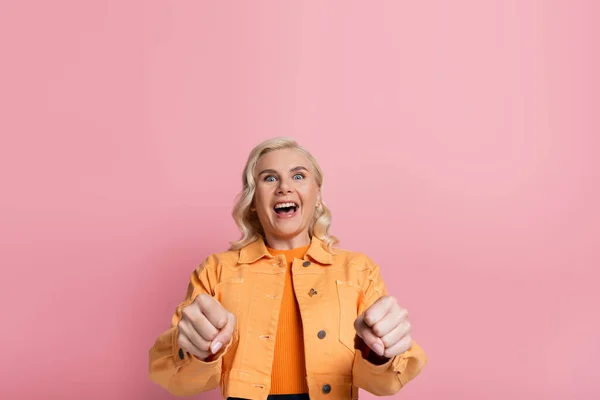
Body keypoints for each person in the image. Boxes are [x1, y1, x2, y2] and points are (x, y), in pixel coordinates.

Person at [148, 137, 427, 399]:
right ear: (254, 200)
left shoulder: (358, 270)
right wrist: (196, 350)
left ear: (317, 194)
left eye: (298, 176)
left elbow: (385, 383)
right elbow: (179, 379)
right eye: (269, 178)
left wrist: (379, 353)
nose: (284, 187)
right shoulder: (216, 271)